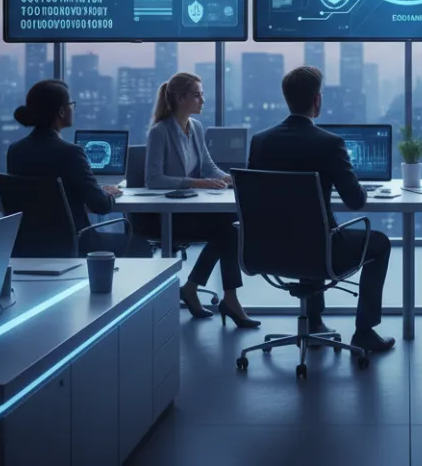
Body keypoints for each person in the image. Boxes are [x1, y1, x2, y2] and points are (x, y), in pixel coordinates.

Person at [247, 66, 395, 354]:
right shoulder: (329, 143)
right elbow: (355, 201)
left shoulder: (260, 141)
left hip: (266, 249)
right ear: (317, 100)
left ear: (286, 98)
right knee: (379, 243)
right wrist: (356, 182)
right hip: (317, 250)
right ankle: (364, 331)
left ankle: (314, 321)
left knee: (304, 230)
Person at [144, 72, 258, 327]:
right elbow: (154, 179)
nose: (202, 100)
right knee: (228, 229)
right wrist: (196, 182)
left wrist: (232, 178)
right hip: (170, 215)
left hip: (192, 209)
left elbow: (208, 167)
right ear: (181, 98)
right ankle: (211, 293)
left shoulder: (195, 128)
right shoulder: (159, 132)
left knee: (231, 226)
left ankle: (210, 292)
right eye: (197, 95)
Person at [6, 80, 150, 258]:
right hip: (74, 242)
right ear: (61, 111)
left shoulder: (15, 151)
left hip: (28, 245)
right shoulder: (71, 153)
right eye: (71, 104)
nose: (74, 108)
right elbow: (101, 206)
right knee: (140, 245)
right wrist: (108, 193)